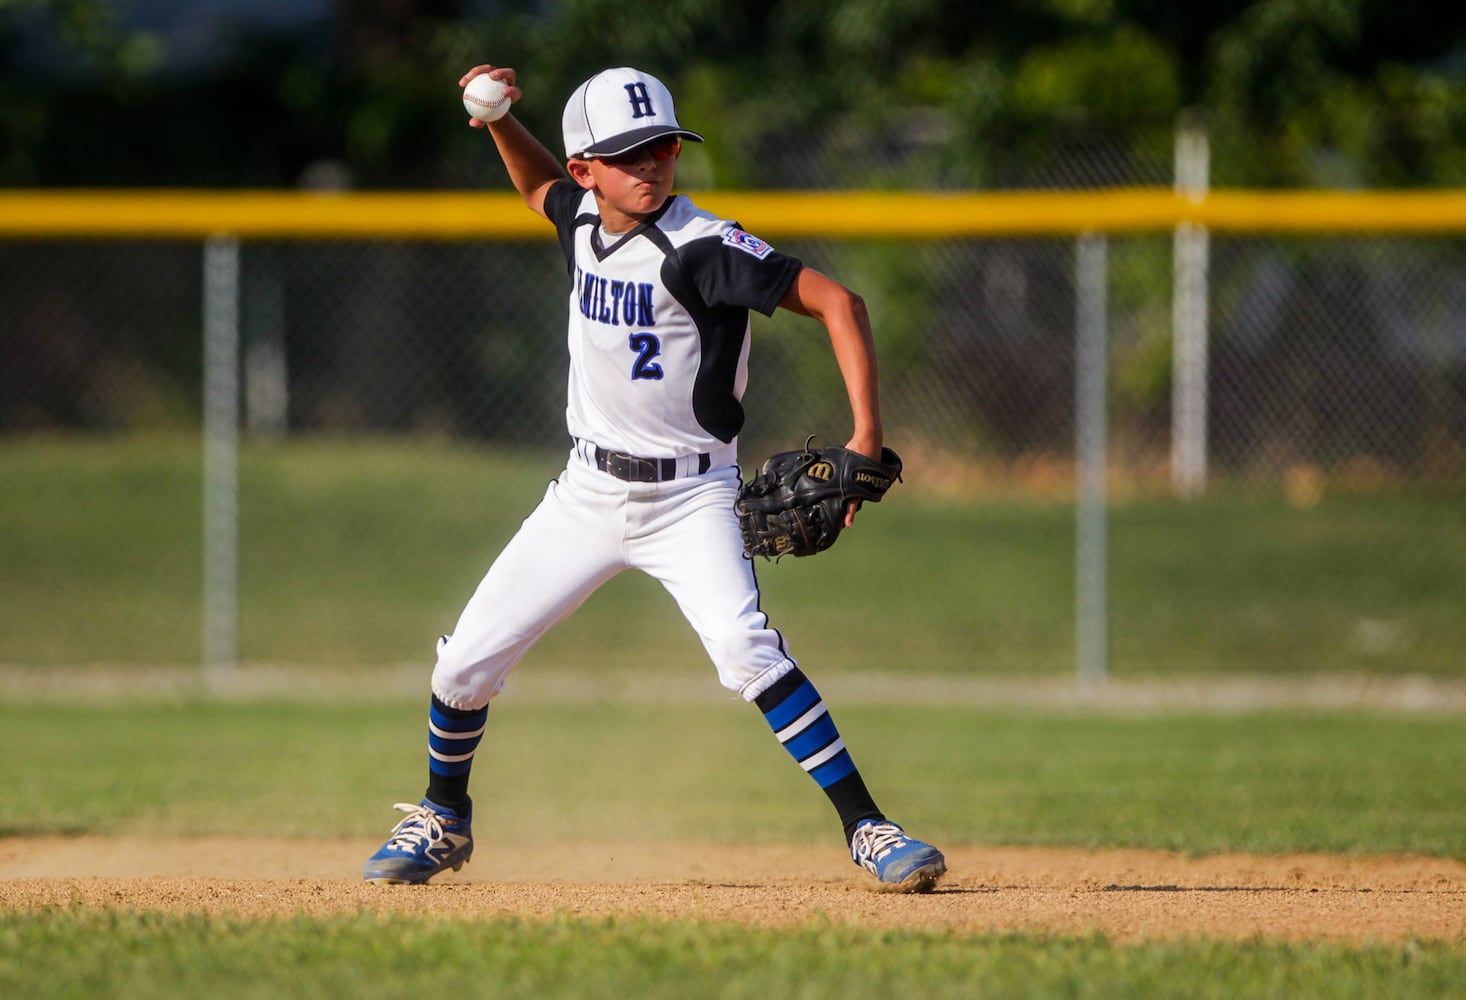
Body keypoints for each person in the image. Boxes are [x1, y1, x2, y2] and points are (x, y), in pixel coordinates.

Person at [362, 64, 946, 892]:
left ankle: (871, 830)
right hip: (586, 493)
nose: (653, 164)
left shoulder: (704, 245)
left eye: (664, 146)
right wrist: (498, 122)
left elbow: (840, 302)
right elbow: (539, 190)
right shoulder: (579, 219)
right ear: (586, 170)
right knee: (461, 669)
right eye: (630, 153)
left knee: (745, 649)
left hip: (691, 496)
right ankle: (442, 818)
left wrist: (866, 435)